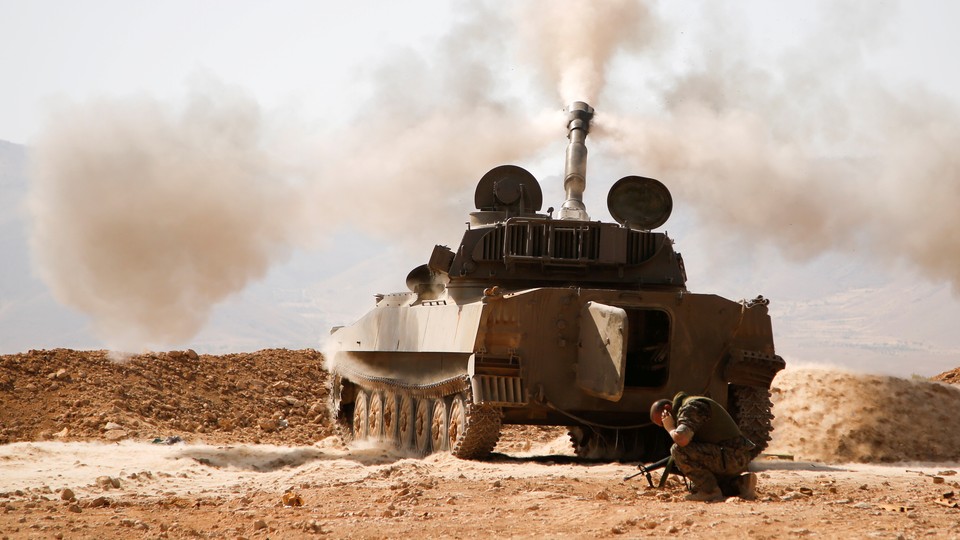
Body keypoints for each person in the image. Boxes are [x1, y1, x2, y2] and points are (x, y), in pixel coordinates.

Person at [650, 392, 758, 501]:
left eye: (663, 421)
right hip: (736, 457)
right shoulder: (692, 405)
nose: (665, 424)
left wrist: (670, 428)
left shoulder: (691, 406)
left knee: (678, 450)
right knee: (698, 486)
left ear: (667, 408)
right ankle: (741, 484)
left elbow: (682, 439)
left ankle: (709, 492)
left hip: (730, 456)